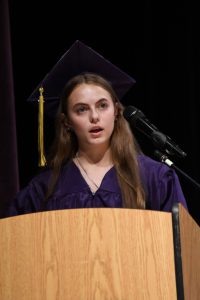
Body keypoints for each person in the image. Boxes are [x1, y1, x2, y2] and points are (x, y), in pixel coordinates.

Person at [5, 41, 187, 217]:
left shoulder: (155, 178)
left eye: (102, 105)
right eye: (81, 109)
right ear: (66, 121)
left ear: (116, 111)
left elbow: (180, 243)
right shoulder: (44, 189)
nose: (94, 117)